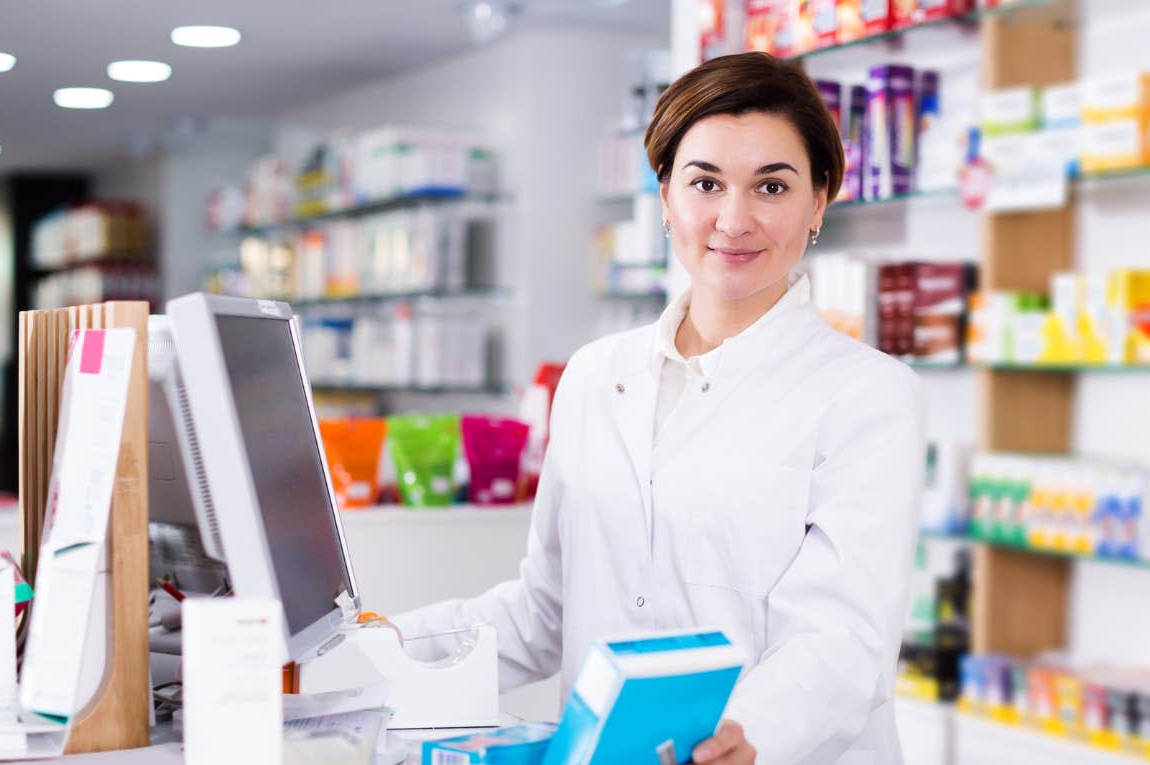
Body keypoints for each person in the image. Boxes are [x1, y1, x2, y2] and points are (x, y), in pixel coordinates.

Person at [395, 51, 923, 764]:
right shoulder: (592, 376)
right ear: (666, 194)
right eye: (706, 182)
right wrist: (378, 646)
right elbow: (543, 609)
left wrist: (741, 734)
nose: (734, 219)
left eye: (772, 185)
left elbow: (840, 642)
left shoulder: (867, 394)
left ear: (820, 200)